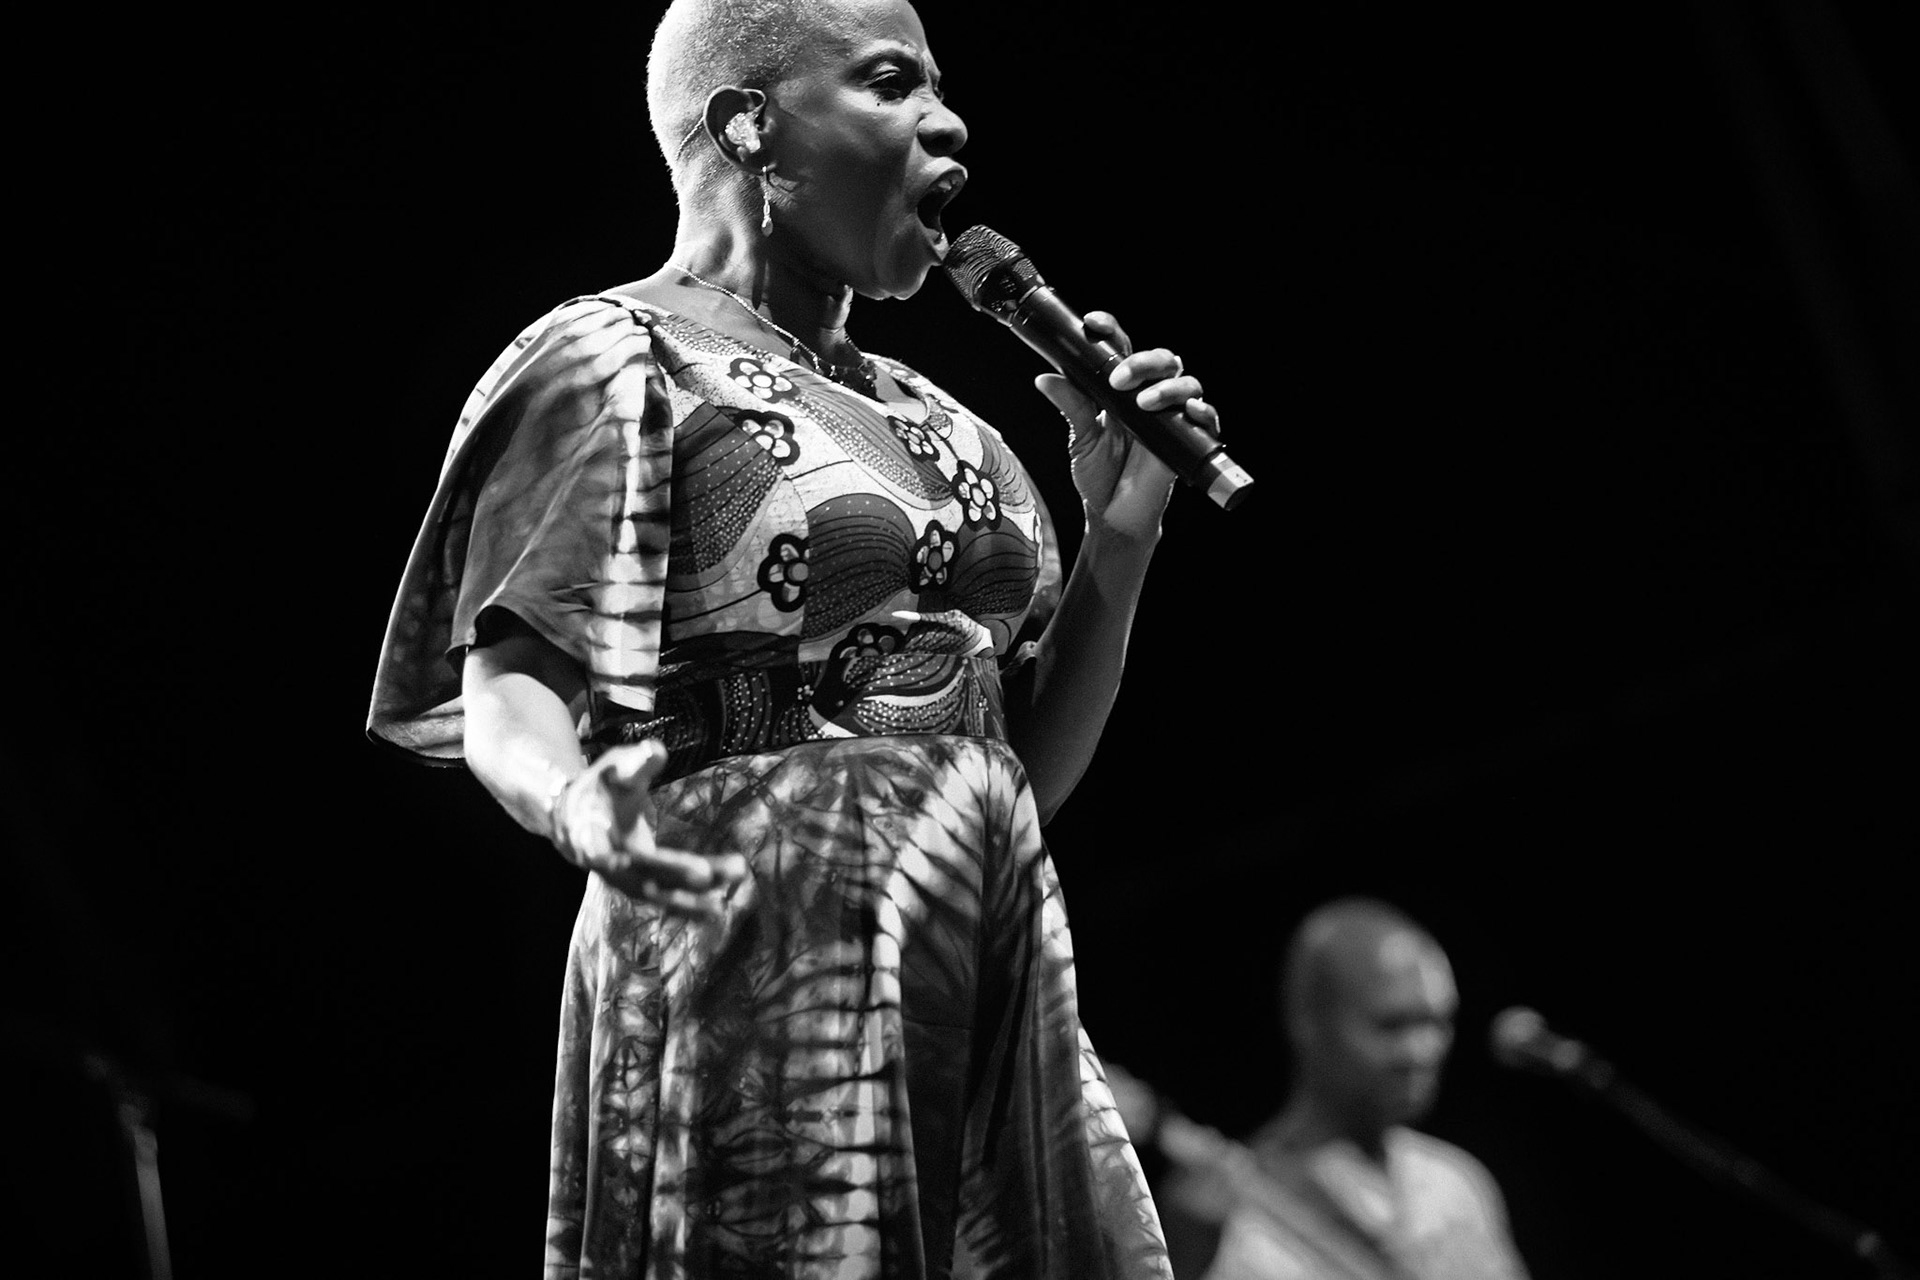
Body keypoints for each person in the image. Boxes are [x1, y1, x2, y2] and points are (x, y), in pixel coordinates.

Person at [366, 1, 1218, 1276]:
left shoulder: (950, 423)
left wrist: (1123, 537)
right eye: (891, 82)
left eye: (941, 85)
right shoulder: (615, 356)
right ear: (750, 124)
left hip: (976, 951)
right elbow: (508, 688)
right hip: (759, 947)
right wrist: (574, 804)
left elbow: (1014, 779)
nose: (951, 121)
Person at [1162, 898, 1529, 1280]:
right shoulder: (1240, 1214)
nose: (1423, 1050)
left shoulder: (1453, 1183)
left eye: (1438, 1022)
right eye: (1393, 1025)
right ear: (1308, 1020)